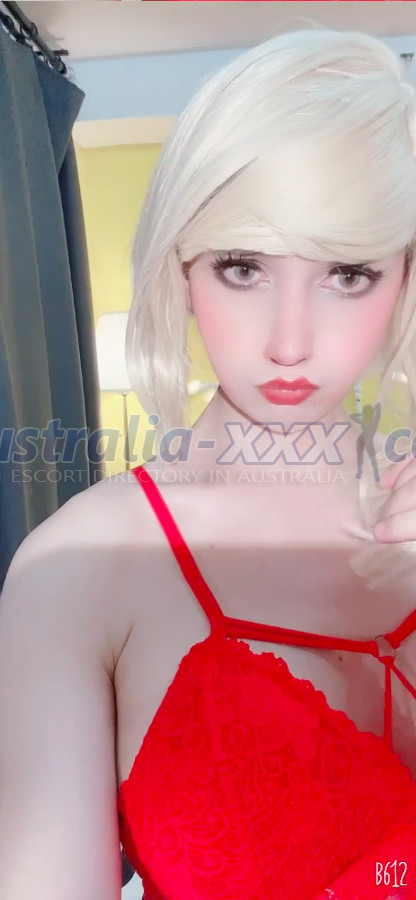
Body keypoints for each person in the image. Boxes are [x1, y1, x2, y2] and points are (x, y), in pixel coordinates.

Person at [1, 24, 416, 900]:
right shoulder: (78, 568)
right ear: (181, 268)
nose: (290, 341)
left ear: (405, 278)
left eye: (348, 273)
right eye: (242, 267)